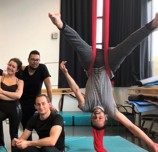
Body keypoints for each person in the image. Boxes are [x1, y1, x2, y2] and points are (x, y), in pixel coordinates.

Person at [49, 12, 158, 152]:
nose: (97, 115)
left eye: (95, 118)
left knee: (78, 44)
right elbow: (132, 127)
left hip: (90, 64)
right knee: (128, 47)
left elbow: (76, 89)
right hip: (109, 65)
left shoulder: (86, 106)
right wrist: (151, 144)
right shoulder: (111, 110)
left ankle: (60, 24)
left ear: (91, 118)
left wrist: (65, 73)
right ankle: (153, 25)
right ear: (106, 118)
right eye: (100, 117)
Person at [17, 50, 53, 140]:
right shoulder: (22, 70)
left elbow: (49, 86)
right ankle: (29, 145)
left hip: (37, 101)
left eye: (37, 60)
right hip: (24, 103)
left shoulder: (42, 68)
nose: (35, 62)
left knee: (46, 122)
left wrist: (50, 104)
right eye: (33, 59)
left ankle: (46, 143)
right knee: (27, 126)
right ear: (28, 60)